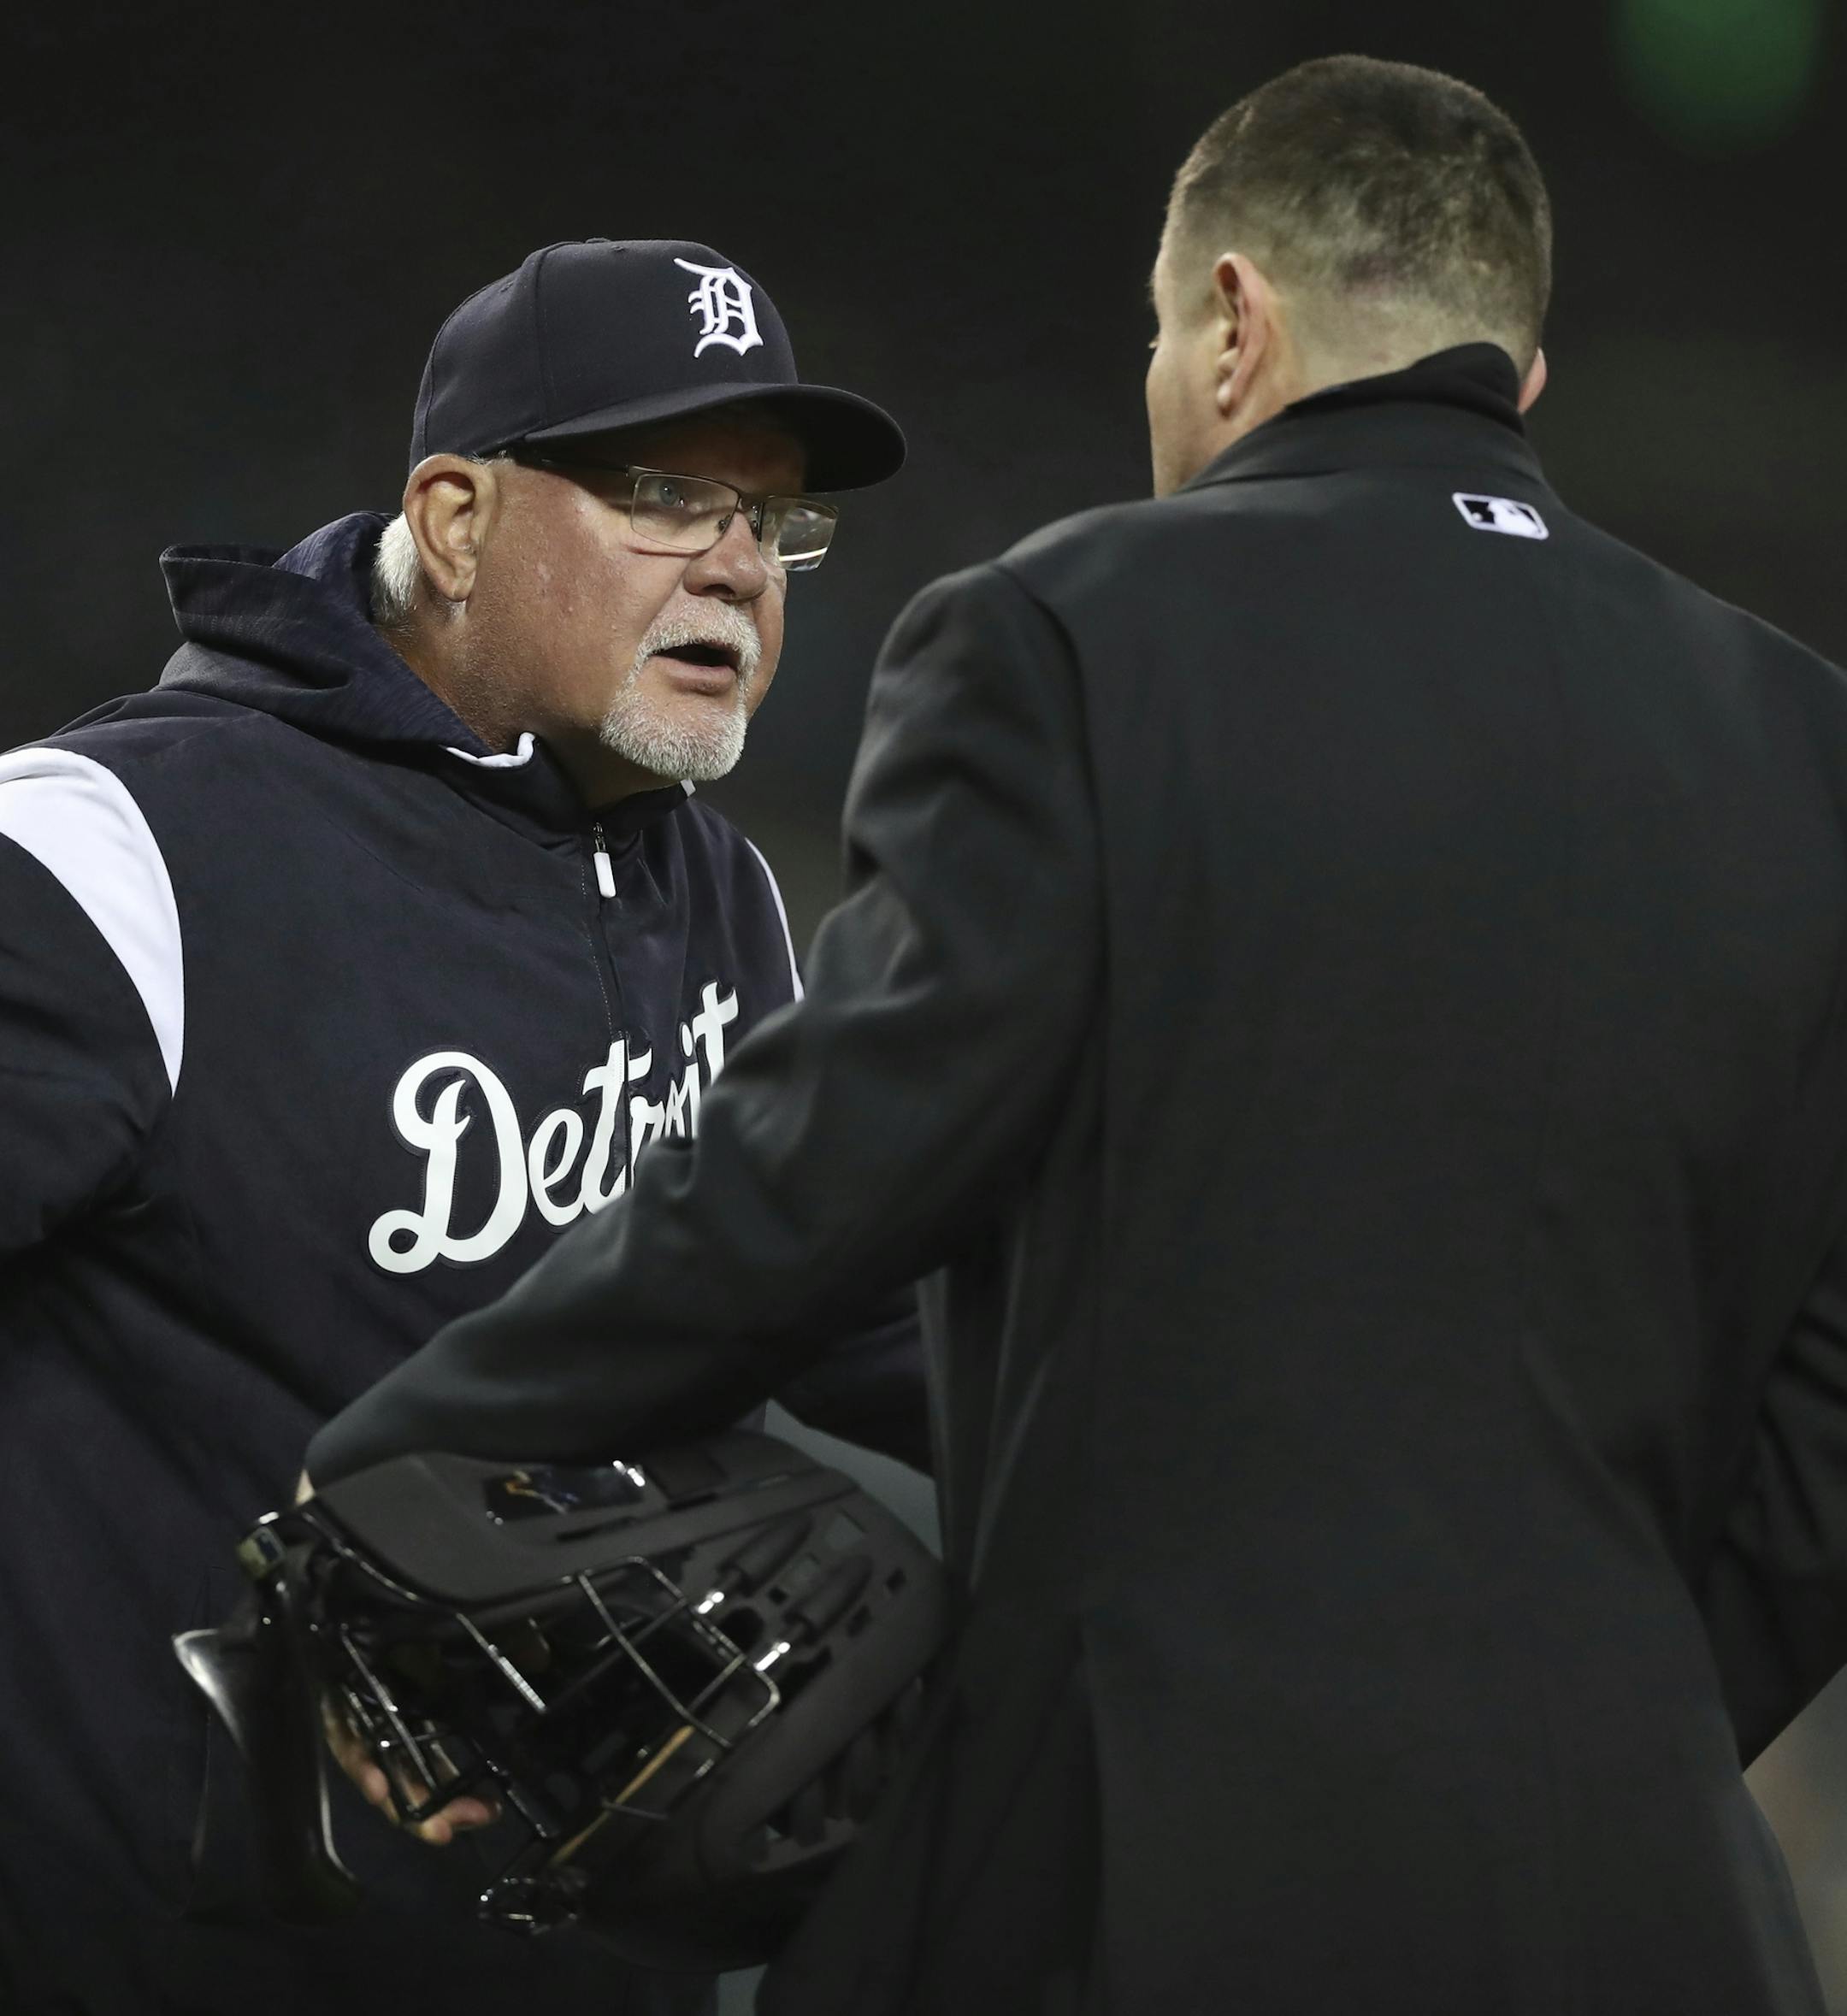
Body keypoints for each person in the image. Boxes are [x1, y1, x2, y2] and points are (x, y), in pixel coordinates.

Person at [307, 58, 1847, 2016]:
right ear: (1517, 382)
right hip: (1650, 1905)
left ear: (1230, 321)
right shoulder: (1807, 745)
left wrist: (410, 1449)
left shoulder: (1072, 634)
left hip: (1144, 1870)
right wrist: (1616, 1723)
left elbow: (827, 1167)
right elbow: (1828, 1416)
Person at [0, 237, 924, 2016]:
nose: (737, 561)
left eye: (774, 520)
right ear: (459, 512)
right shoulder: (120, 854)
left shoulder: (719, 891)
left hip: (574, 1953)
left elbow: (867, 1313)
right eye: (665, 493)